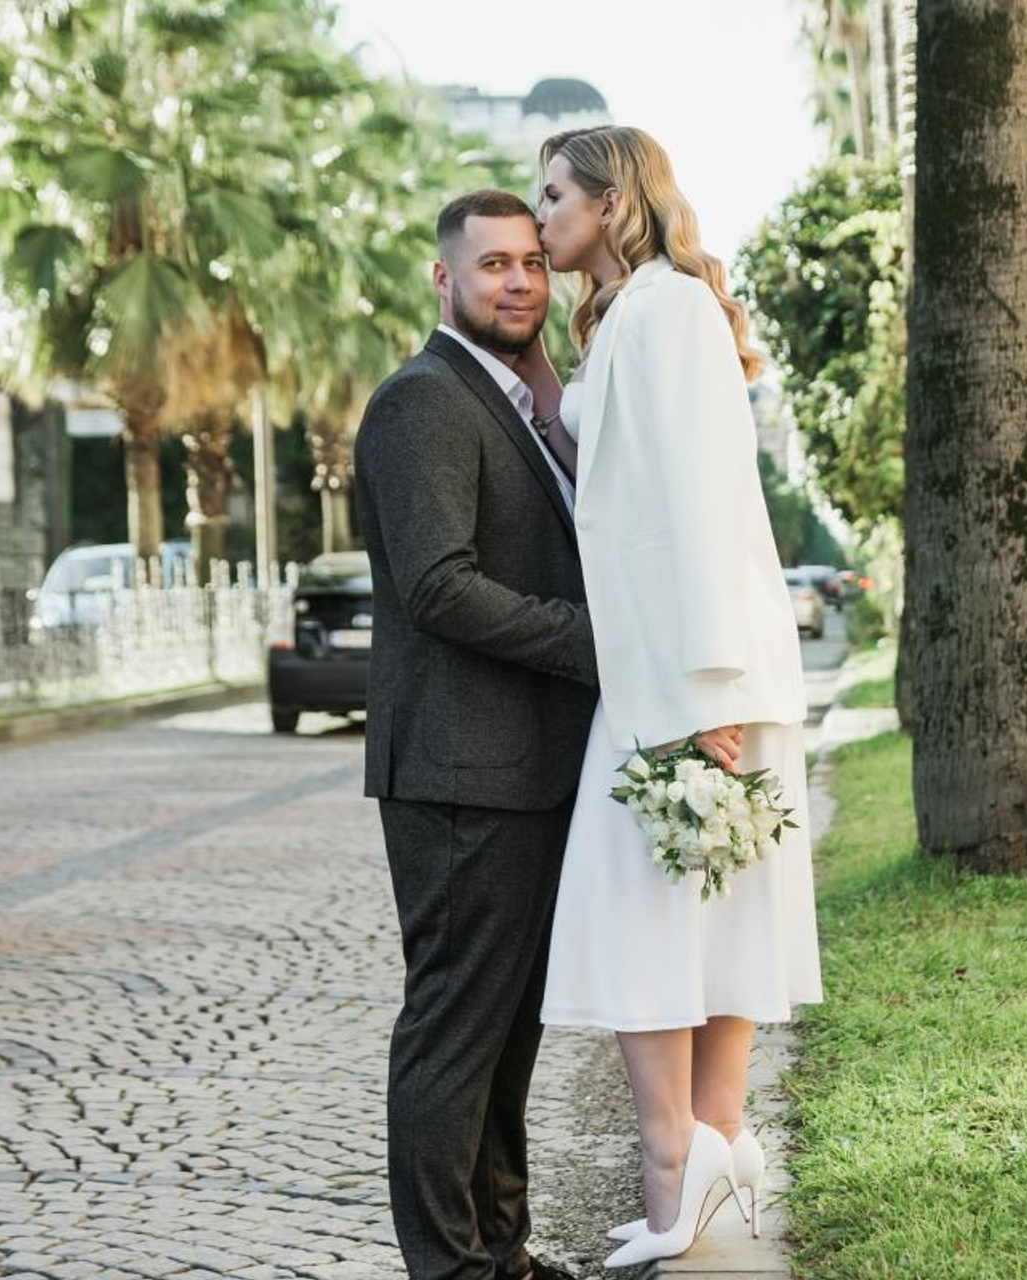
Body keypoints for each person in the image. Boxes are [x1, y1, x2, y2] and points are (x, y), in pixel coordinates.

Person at [528, 127, 824, 1270]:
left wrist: (711, 688)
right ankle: (715, 1145)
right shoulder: (629, 317)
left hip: (692, 672)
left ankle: (675, 1160)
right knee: (698, 911)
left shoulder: (671, 310)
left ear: (610, 201)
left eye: (554, 195)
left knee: (643, 914)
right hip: (664, 665)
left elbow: (704, 501)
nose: (540, 216)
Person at [353, 189, 597, 1280]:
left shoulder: (518, 399)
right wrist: (596, 642)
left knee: (507, 1032)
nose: (518, 281)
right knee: (455, 1028)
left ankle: (502, 1252)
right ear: (443, 278)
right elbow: (439, 586)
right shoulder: (424, 401)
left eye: (532, 262)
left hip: (523, 769)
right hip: (462, 771)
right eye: (493, 263)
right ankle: (448, 1266)